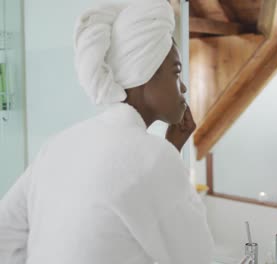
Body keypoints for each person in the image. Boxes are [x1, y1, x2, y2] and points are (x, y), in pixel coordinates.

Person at [0, 1, 214, 263]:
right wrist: (168, 154)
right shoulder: (154, 158)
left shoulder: (59, 144)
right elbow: (197, 257)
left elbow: (6, 234)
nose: (183, 88)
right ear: (144, 73)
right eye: (176, 72)